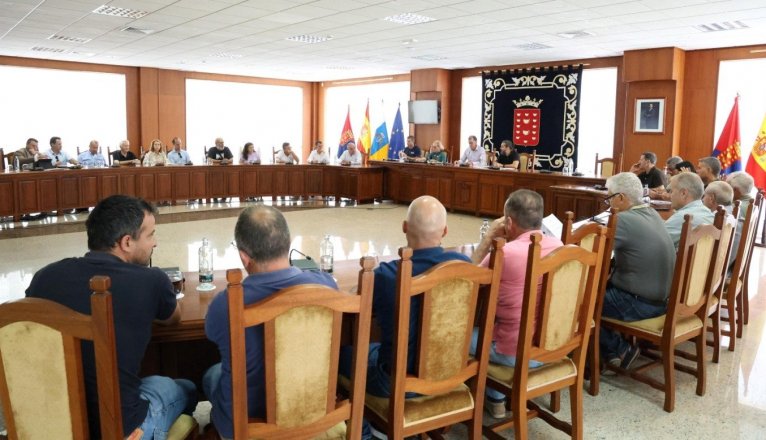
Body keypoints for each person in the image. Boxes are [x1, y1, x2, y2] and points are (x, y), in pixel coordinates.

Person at [25, 195, 197, 439]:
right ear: (126, 242)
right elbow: (172, 318)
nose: (155, 243)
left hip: (57, 421)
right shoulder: (151, 280)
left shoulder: (45, 277)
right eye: (150, 235)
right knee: (185, 387)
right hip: (122, 428)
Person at [204, 205, 336, 439]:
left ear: (244, 257)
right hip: (311, 417)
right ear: (288, 243)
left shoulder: (226, 304)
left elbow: (211, 335)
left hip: (246, 427)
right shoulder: (325, 286)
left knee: (212, 375)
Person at [339, 196, 469, 405]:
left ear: (404, 227)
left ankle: (359, 420)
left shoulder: (387, 275)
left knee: (342, 352)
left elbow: (358, 302)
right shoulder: (463, 266)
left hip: (394, 381)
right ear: (445, 231)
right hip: (451, 372)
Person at [469, 189, 563, 417]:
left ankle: (462, 401)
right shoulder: (559, 246)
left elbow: (465, 283)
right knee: (500, 326)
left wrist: (488, 238)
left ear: (508, 222)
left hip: (515, 353)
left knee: (457, 335)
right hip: (553, 346)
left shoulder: (505, 253)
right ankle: (496, 398)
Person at [599, 172, 676, 370]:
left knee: (581, 305)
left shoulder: (622, 220)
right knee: (597, 294)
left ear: (621, 197)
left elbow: (594, 254)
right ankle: (608, 353)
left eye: (609, 198)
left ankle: (620, 350)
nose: (608, 204)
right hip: (661, 300)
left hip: (638, 303)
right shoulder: (652, 213)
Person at [665, 172, 715, 248]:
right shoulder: (709, 214)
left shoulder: (684, 217)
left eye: (671, 191)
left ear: (683, 193)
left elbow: (655, 242)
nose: (669, 196)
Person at [726, 171, 755, 269]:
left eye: (727, 187)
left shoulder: (735, 209)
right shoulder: (751, 203)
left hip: (728, 263)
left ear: (735, 190)